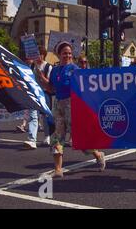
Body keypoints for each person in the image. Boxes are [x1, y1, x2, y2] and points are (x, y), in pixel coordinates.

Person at [39, 41, 105, 177]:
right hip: (58, 104)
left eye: (69, 53)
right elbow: (51, 88)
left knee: (78, 137)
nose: (67, 55)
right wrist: (41, 78)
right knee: (58, 136)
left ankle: (98, 154)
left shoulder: (75, 70)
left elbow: (85, 87)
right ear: (58, 54)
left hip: (72, 104)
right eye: (64, 53)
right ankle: (58, 169)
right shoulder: (55, 70)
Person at [32, 46, 54, 146]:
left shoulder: (48, 67)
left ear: (43, 55)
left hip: (45, 93)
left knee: (45, 116)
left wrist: (41, 76)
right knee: (33, 115)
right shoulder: (33, 66)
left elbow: (49, 83)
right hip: (34, 93)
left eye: (40, 54)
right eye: (36, 55)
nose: (38, 57)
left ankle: (47, 136)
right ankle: (32, 138)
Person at [22, 58, 40, 149]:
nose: (28, 58)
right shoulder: (25, 67)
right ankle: (32, 140)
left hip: (41, 94)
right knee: (33, 116)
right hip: (31, 95)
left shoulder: (39, 67)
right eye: (27, 57)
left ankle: (48, 136)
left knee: (47, 117)